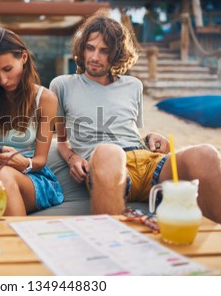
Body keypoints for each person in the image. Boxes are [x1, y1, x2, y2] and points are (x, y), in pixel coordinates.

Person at [50, 11, 221, 223]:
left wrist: (151, 137)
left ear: (116, 54)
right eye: (90, 48)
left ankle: (214, 243)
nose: (94, 57)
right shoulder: (62, 85)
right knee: (109, 151)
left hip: (147, 162)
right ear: (82, 47)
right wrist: (73, 158)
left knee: (206, 154)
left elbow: (130, 132)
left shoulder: (134, 85)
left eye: (104, 51)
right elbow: (61, 139)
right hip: (106, 162)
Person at [0, 26, 63, 216]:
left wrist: (22, 162)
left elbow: (40, 161)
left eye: (8, 69)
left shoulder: (45, 99)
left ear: (24, 58)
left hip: (31, 177)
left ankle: (17, 242)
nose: (3, 79)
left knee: (1, 176)